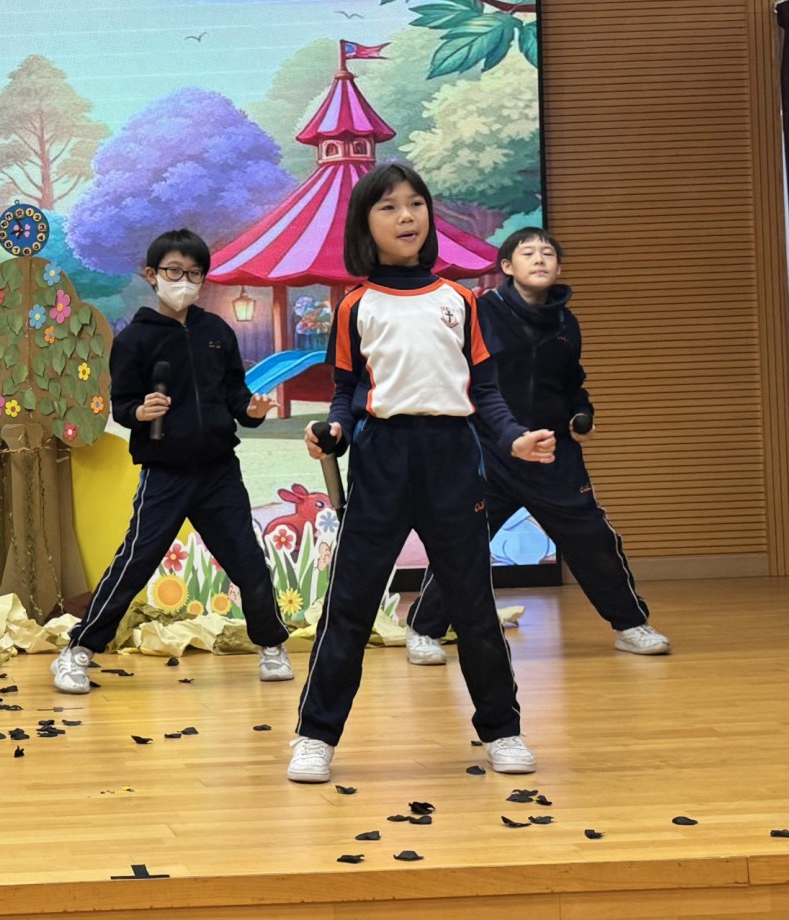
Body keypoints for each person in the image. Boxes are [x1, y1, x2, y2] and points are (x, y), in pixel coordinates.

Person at [289, 164, 554, 784]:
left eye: (415, 203)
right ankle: (315, 737)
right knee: (350, 605)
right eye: (388, 207)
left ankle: (503, 731)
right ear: (365, 225)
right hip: (381, 458)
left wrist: (513, 438)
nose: (406, 216)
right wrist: (334, 431)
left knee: (473, 603)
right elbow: (346, 395)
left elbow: (485, 393)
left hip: (452, 458)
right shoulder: (355, 306)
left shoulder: (461, 300)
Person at [403, 229, 666, 663]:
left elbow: (573, 385)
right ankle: (424, 630)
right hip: (488, 453)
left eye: (548, 253)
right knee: (462, 545)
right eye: (528, 253)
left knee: (593, 539)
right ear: (507, 267)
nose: (540, 259)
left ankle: (630, 625)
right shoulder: (480, 312)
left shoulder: (566, 324)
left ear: (558, 267)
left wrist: (582, 414)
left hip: (551, 454)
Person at [51, 229, 294, 695]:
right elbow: (122, 404)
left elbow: (236, 395)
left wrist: (253, 411)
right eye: (174, 271)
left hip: (220, 471)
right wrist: (139, 412)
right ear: (152, 274)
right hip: (165, 473)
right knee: (135, 562)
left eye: (194, 273)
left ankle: (271, 646)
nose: (184, 281)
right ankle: (77, 652)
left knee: (248, 560)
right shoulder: (135, 339)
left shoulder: (217, 332)